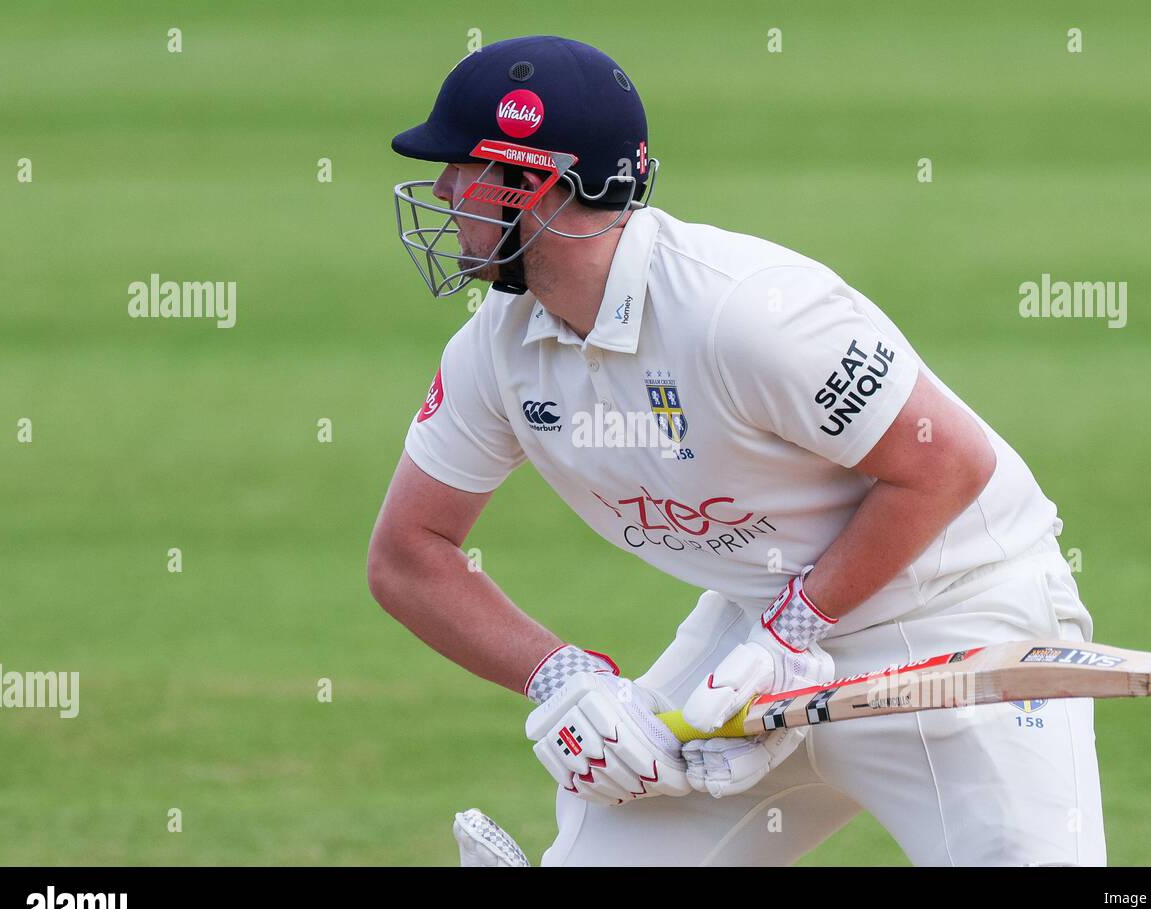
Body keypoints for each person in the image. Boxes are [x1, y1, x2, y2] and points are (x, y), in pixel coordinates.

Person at [369, 34, 1106, 866]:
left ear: (530, 183)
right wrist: (563, 677)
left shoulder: (747, 312)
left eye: (459, 169)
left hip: (952, 617)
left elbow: (947, 465)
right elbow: (408, 554)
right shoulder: (494, 349)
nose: (439, 190)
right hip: (749, 637)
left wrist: (795, 632)